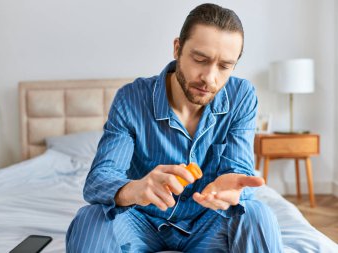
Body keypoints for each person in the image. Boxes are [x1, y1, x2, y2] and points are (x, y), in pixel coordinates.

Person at [66, 3, 283, 253]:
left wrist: (235, 190)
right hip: (141, 220)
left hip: (209, 221)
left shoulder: (241, 97)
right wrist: (135, 189)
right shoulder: (131, 99)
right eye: (200, 59)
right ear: (177, 48)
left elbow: (239, 172)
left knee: (257, 214)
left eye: (224, 66)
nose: (210, 78)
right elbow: (98, 180)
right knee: (91, 217)